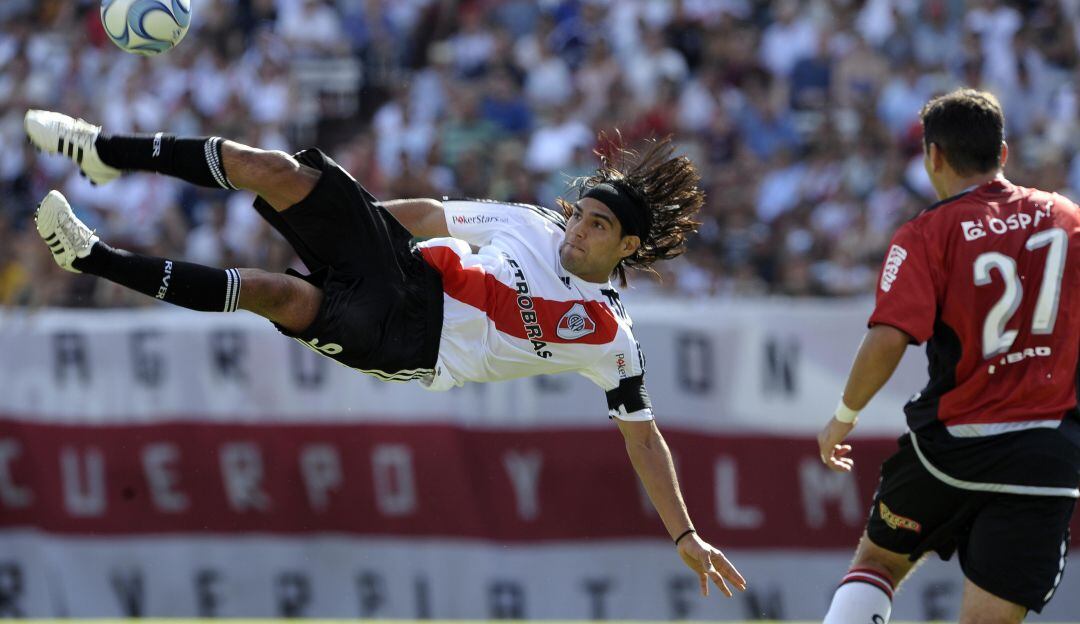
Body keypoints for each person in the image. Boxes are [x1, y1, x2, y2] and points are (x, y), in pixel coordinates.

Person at [24, 109, 746, 598]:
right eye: (581, 213)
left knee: (280, 296)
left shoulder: (611, 340)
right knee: (271, 168)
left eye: (595, 226)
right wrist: (339, 225)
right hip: (406, 267)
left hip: (413, 344)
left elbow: (642, 433)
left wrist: (683, 532)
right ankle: (102, 151)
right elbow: (434, 217)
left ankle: (91, 258)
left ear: (625, 247)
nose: (575, 230)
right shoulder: (528, 223)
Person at [818, 89, 1079, 624]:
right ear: (1003, 153)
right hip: (1045, 455)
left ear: (932, 155)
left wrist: (843, 417)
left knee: (878, 562)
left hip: (953, 447)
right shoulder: (1067, 218)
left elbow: (890, 337)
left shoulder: (927, 232)